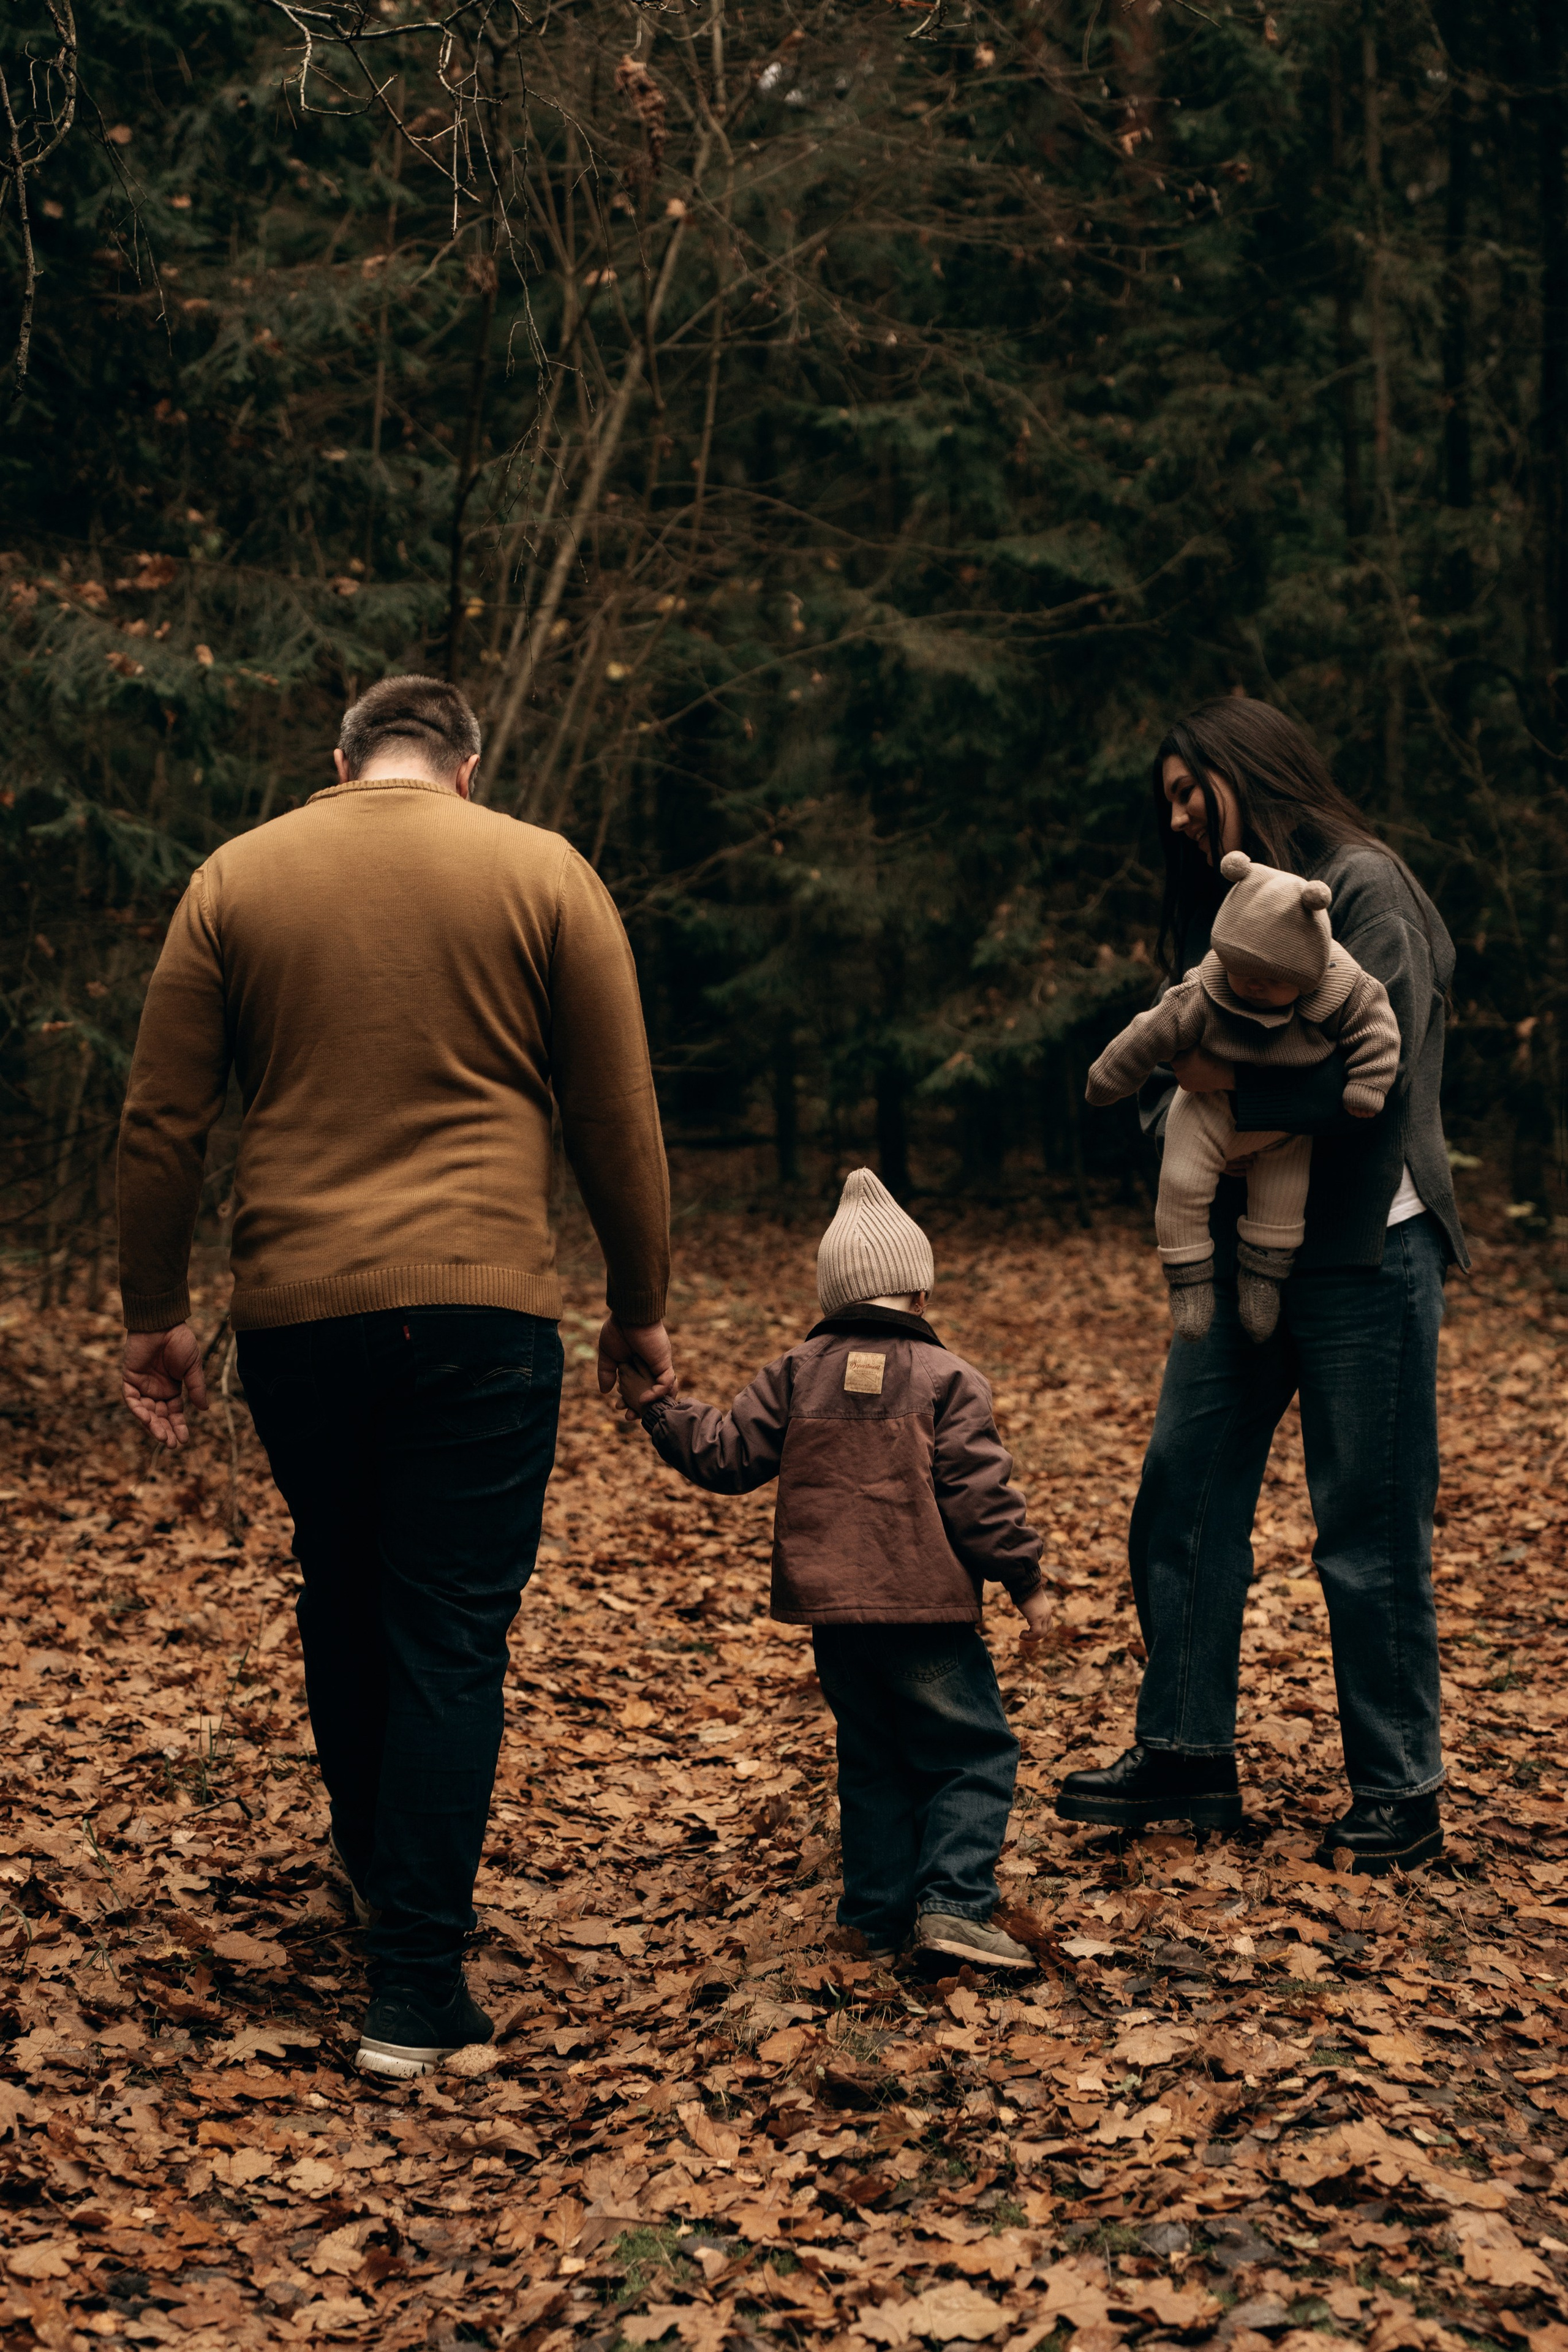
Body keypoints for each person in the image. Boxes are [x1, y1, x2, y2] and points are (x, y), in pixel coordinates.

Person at [116, 674, 674, 2076]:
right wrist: (638, 1306)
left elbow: (161, 1119)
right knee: (447, 1627)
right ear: (468, 769)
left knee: (342, 1583)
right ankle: (415, 1985)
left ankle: (377, 1870)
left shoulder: (236, 878)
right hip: (483, 1308)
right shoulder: (541, 872)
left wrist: (155, 1313)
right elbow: (615, 1112)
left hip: (297, 1307)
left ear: (341, 760)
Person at [1055, 698, 1468, 1875]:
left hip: (1368, 1259)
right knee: (1180, 1496)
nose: (1180, 818)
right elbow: (1164, 1071)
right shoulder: (1237, 914)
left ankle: (1402, 1787)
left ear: (1250, 772)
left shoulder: (1366, 889)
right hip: (1244, 1255)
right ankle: (1187, 1753)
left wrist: (1212, 1088)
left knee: (1367, 1531)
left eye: (1194, 791)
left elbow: (1370, 1088)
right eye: (1169, 803)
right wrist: (1189, 1089)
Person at [616, 1167, 1052, 1970]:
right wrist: (1026, 1580)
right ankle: (954, 1905)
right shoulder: (946, 1379)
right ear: (919, 1295)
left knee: (874, 1757)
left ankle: (873, 1918)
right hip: (928, 1614)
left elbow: (724, 1455)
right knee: (970, 1753)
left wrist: (658, 1408)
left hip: (837, 1619)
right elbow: (978, 1496)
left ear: (835, 1297)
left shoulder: (796, 1372)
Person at [1085, 851, 1400, 1344]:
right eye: (1242, 971)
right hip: (1206, 1110)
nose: (1253, 985)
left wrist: (1367, 1083)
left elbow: (1378, 1032)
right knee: (1182, 1184)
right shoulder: (1203, 993)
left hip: (1286, 1125)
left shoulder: (1343, 989)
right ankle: (1187, 1277)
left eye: (1273, 979)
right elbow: (1149, 1034)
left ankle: (1264, 1279)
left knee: (1282, 1198)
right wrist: (1109, 1077)